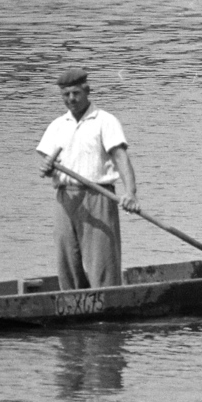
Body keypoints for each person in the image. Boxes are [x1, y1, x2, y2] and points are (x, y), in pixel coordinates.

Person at [37, 66, 139, 290]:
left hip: (98, 196)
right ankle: (73, 305)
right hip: (65, 198)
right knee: (67, 259)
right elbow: (50, 163)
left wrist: (130, 193)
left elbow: (121, 158)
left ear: (87, 91)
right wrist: (48, 169)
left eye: (76, 93)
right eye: (66, 95)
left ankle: (108, 304)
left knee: (101, 262)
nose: (71, 99)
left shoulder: (105, 121)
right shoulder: (57, 125)